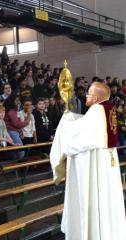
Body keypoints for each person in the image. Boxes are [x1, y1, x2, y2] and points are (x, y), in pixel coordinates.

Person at [50, 81, 126, 240]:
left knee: (93, 196)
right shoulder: (108, 108)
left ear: (97, 98)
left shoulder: (97, 109)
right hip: (107, 161)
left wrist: (66, 121)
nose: (86, 95)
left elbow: (78, 137)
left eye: (89, 93)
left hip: (96, 162)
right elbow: (88, 126)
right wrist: (71, 116)